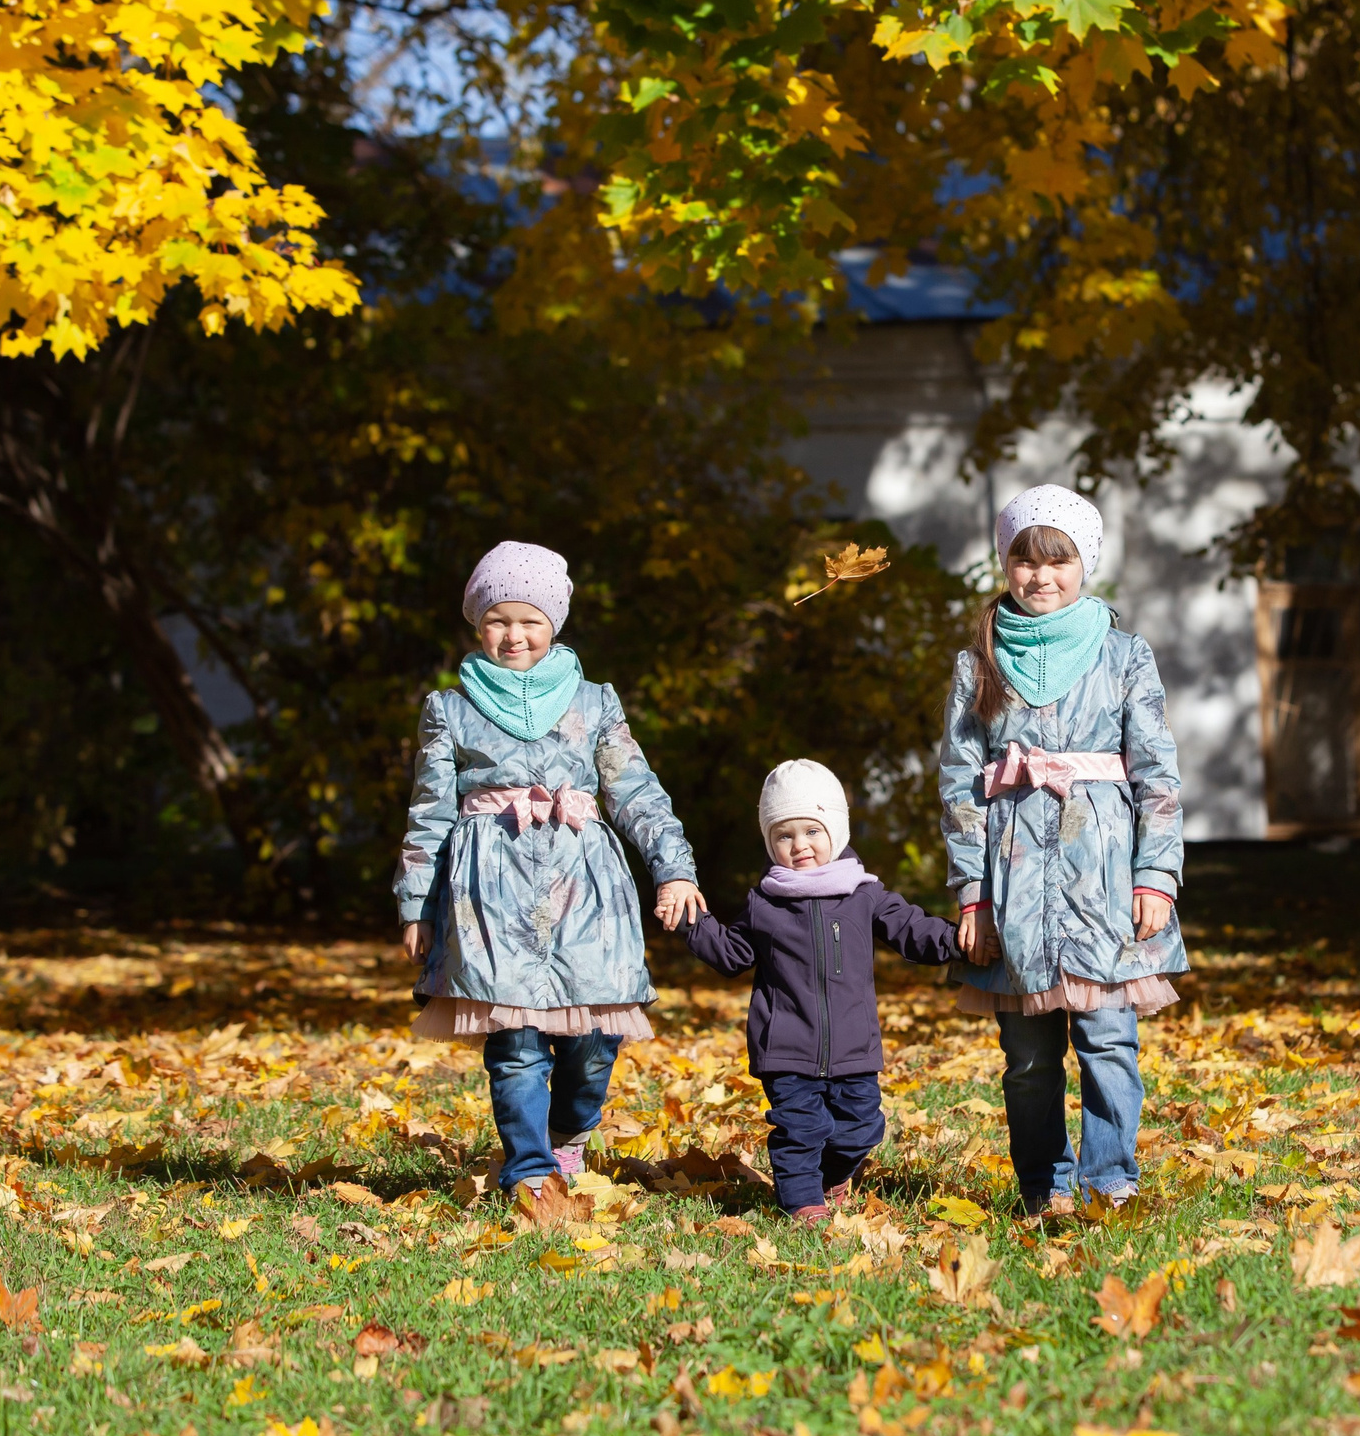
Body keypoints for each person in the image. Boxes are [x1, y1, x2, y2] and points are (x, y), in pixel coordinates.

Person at [395, 540, 707, 1197]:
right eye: (498, 619)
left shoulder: (594, 703)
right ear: (479, 624)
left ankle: (568, 1135)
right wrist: (415, 904)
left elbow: (637, 791)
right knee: (514, 1040)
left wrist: (673, 868)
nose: (514, 634)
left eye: (529, 619)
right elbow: (428, 814)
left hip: (585, 888)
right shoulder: (450, 708)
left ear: (554, 622)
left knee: (594, 1038)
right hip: (490, 895)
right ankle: (529, 1169)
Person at [939, 485, 1185, 1217]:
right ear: (1004, 563)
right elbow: (959, 782)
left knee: (1109, 1040)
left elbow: (1158, 774)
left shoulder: (1123, 654)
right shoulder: (976, 661)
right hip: (1013, 888)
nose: (1040, 575)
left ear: (1086, 565)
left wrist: (1156, 874)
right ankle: (1044, 1184)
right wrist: (972, 893)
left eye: (1059, 559)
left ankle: (1111, 1178)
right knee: (1029, 1058)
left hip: (1104, 882)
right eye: (1024, 558)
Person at [682, 760, 959, 1224]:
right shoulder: (766, 902)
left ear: (835, 829)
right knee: (800, 1128)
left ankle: (829, 1179)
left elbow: (912, 930)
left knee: (861, 1128)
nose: (799, 846)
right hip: (786, 1045)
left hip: (854, 1045)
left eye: (812, 830)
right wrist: (691, 921)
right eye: (784, 836)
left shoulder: (863, 893)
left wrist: (958, 942)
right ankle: (803, 1201)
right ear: (771, 843)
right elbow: (731, 954)